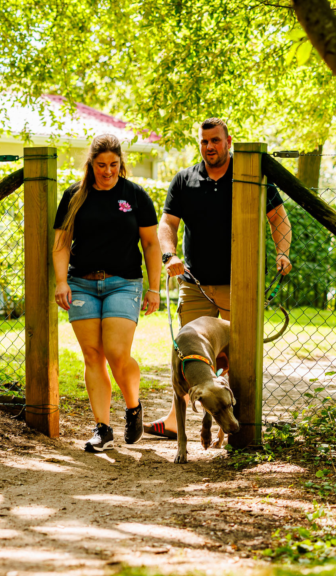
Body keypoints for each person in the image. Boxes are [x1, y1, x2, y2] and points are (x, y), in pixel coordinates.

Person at [144, 117, 293, 438]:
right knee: (188, 358)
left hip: (239, 286)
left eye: (215, 140)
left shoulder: (250, 175)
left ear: (228, 141)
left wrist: (283, 252)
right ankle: (174, 420)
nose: (209, 146)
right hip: (194, 284)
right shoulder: (184, 179)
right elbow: (167, 224)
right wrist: (169, 256)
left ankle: (239, 427)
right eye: (204, 141)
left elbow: (278, 217)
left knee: (237, 359)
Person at [53, 134, 162, 452]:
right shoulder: (75, 195)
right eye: (101, 165)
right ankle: (102, 428)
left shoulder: (135, 195)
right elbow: (62, 243)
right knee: (92, 355)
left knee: (116, 352)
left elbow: (151, 244)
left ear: (121, 164)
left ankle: (132, 407)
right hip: (82, 284)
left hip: (124, 282)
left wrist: (153, 288)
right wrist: (62, 282)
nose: (108, 171)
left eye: (113, 164)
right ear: (91, 164)